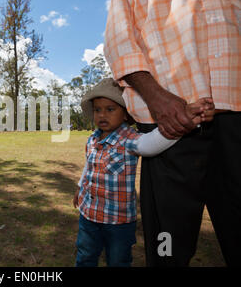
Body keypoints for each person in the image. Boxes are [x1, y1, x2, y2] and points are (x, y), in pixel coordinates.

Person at [104, 0, 240, 266]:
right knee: (167, 246)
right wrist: (156, 97)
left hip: (237, 120)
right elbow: (119, 42)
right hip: (170, 126)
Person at [73, 78, 214, 267]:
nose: (102, 115)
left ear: (125, 115)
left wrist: (182, 124)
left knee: (118, 261)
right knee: (85, 255)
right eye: (97, 110)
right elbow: (89, 167)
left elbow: (151, 144)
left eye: (110, 109)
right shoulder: (92, 139)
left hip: (117, 220)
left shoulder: (129, 139)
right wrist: (80, 187)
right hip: (88, 214)